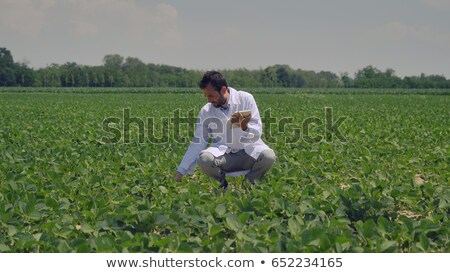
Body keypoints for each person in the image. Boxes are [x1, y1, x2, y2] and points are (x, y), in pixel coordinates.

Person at [173, 71, 276, 189]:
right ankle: (222, 187)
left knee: (268, 156)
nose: (209, 100)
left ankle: (248, 185)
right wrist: (181, 171)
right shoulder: (206, 111)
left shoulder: (245, 98)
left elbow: (257, 132)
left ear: (223, 90)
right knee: (205, 159)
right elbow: (198, 142)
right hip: (225, 156)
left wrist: (244, 126)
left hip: (249, 152)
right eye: (206, 96)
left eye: (211, 96)